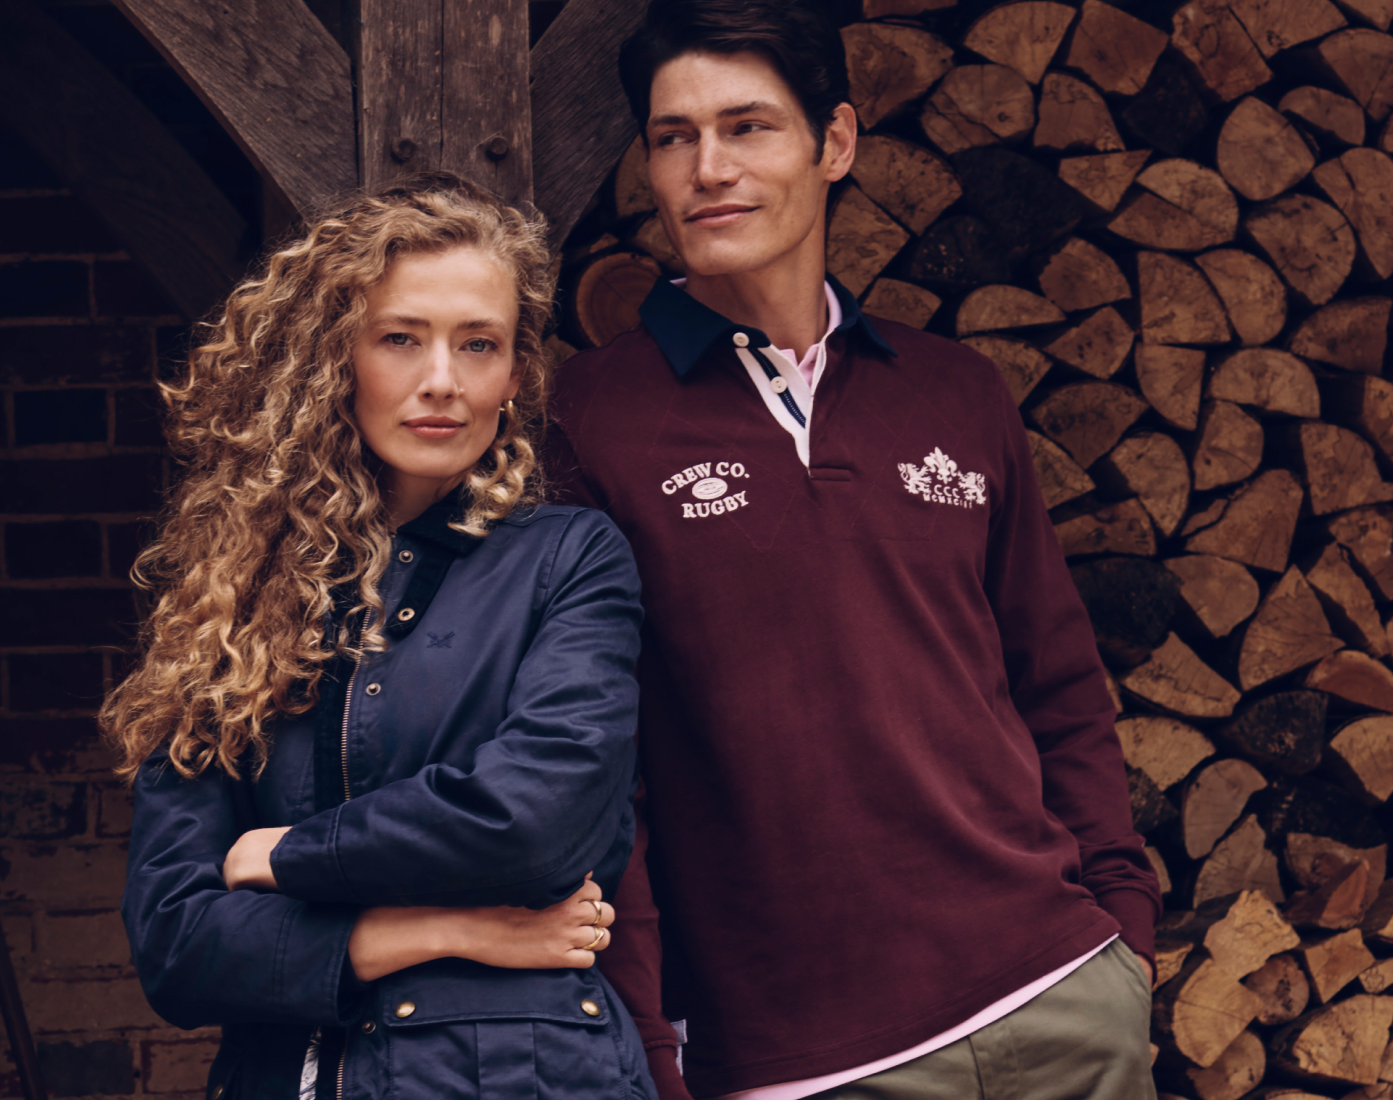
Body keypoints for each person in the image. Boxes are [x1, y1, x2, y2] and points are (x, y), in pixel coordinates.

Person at [546, 3, 1162, 1098]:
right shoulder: (591, 422)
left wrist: (1122, 932)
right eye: (674, 137)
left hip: (1061, 999)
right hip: (802, 1059)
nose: (707, 169)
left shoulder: (954, 391)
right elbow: (598, 776)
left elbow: (1056, 681)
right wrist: (646, 1048)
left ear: (833, 142)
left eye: (747, 127)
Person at [103, 174, 657, 1100]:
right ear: (337, 359)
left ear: (515, 375)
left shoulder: (569, 560)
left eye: (478, 344)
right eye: (400, 338)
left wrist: (279, 855)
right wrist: (441, 929)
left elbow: (533, 826)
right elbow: (175, 944)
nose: (442, 380)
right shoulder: (233, 595)